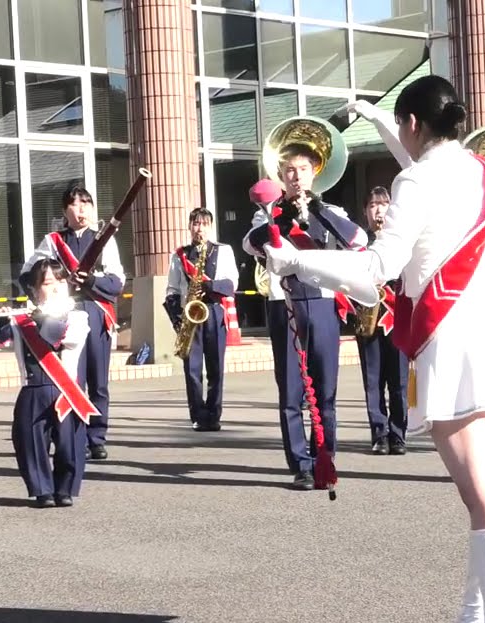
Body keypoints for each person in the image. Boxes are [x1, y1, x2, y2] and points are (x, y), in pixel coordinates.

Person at [254, 76, 485, 623]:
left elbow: (376, 271)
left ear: (415, 124)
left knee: (484, 497)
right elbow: (422, 163)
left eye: (401, 125)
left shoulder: (415, 180)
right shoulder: (481, 171)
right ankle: (478, 619)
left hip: (454, 342)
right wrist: (380, 119)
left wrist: (295, 260)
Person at [241, 136, 366, 490]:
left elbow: (358, 241)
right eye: (289, 170)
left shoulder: (333, 212)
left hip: (323, 302)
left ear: (315, 173)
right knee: (291, 391)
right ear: (281, 174)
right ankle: (300, 464)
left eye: (303, 170)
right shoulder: (267, 212)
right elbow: (251, 243)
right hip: (286, 304)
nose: (296, 176)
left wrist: (318, 210)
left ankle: (324, 457)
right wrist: (278, 216)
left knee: (326, 389)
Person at [20, 183, 124, 461]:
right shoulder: (53, 241)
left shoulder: (104, 240)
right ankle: (67, 434)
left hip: (95, 312)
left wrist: (91, 280)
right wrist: (53, 287)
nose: (82, 210)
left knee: (98, 380)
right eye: (76, 204)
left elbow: (116, 283)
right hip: (62, 314)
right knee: (67, 378)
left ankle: (96, 437)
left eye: (86, 204)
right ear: (65, 210)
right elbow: (27, 275)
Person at [6, 259, 95, 507]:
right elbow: (1, 340)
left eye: (60, 281)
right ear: (34, 290)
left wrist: (40, 319)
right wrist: (6, 321)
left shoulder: (78, 316)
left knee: (69, 443)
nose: (56, 286)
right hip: (32, 388)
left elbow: (63, 337)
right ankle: (42, 489)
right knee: (29, 440)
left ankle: (64, 489)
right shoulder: (21, 319)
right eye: (47, 283)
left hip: (66, 389)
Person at [165, 208, 238, 432]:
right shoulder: (180, 255)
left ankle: (214, 414)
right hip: (191, 315)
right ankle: (197, 415)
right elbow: (172, 289)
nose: (200, 229)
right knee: (192, 370)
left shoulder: (223, 251)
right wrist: (178, 318)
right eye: (196, 224)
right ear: (190, 226)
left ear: (210, 226)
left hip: (215, 312)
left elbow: (232, 283)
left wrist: (211, 286)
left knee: (216, 369)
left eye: (204, 224)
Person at [352, 186, 409, 456]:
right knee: (372, 381)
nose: (379, 210)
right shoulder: (358, 244)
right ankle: (379, 433)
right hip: (369, 319)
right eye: (373, 205)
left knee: (398, 382)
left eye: (384, 205)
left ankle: (398, 434)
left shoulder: (403, 242)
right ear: (365, 211)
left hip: (396, 319)